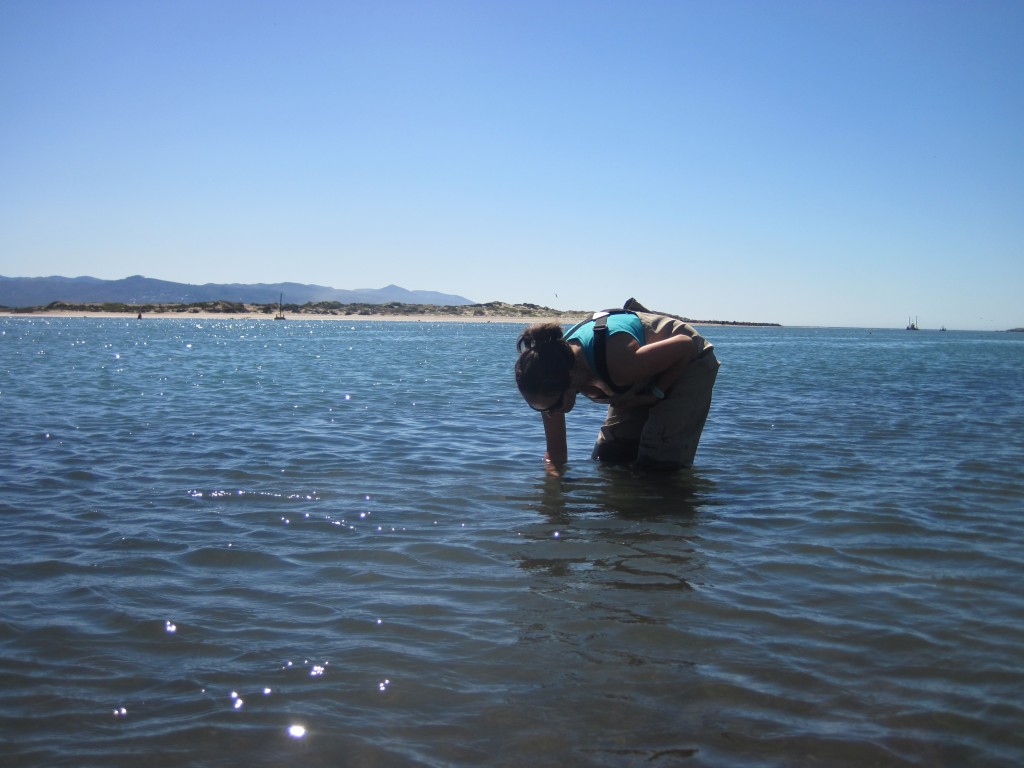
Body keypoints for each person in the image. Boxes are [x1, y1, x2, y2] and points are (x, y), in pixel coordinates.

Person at [515, 298, 720, 472]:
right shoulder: (547, 384)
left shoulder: (618, 364)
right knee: (609, 457)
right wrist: (553, 496)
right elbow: (556, 453)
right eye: (540, 408)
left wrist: (656, 393)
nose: (550, 413)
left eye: (551, 407)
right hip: (633, 371)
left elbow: (685, 345)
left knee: (658, 465)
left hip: (688, 359)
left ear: (569, 382)